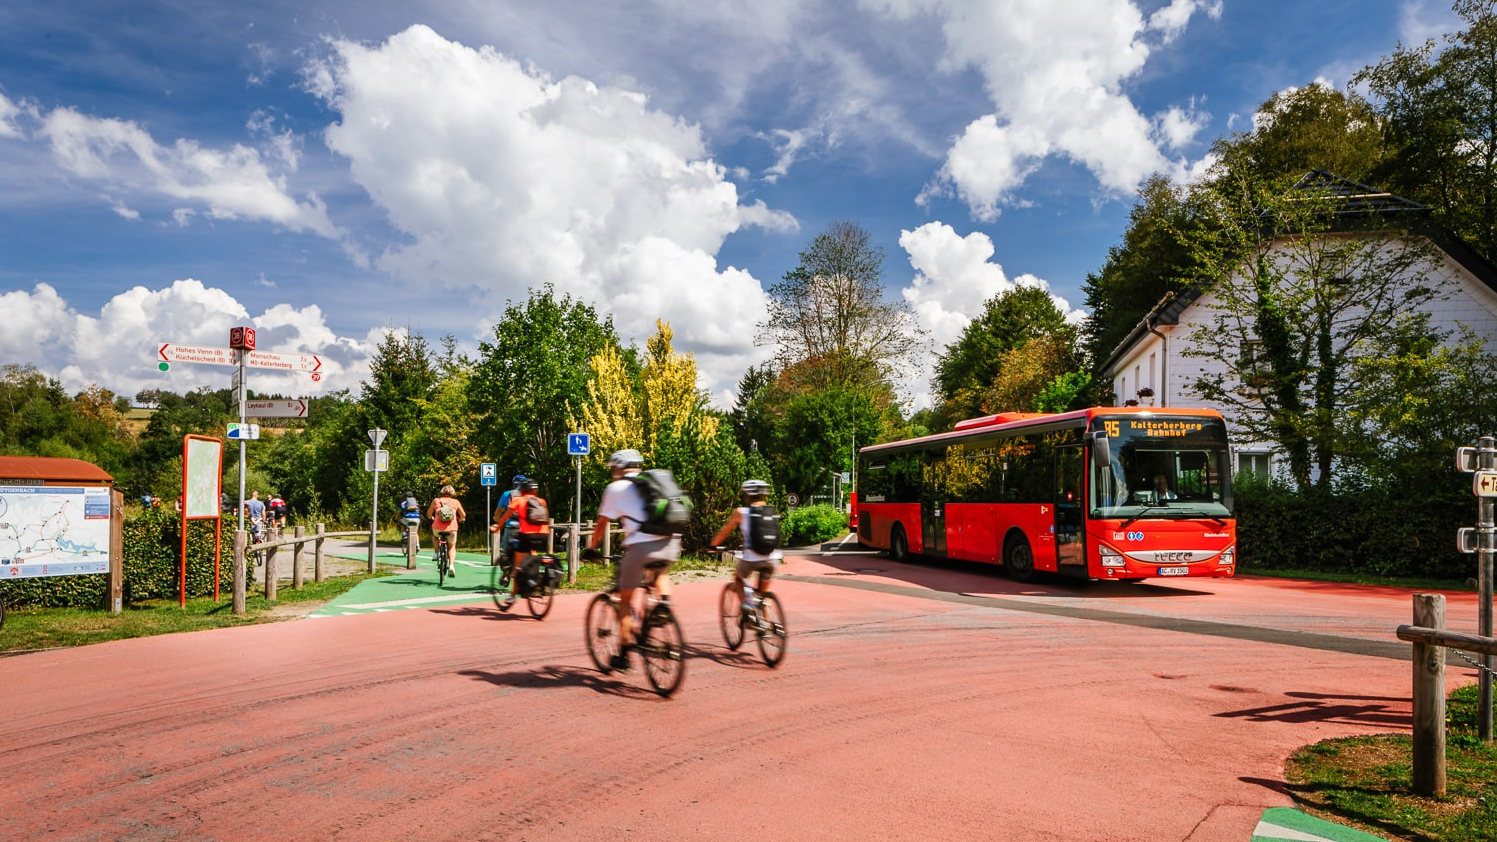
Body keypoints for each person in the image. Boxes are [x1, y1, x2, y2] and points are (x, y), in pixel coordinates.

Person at [582, 449, 681, 671]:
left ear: (619, 467)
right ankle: (663, 604)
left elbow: (601, 524)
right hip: (671, 543)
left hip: (640, 548)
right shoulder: (656, 481)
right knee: (659, 573)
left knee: (625, 600)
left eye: (613, 469)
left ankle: (623, 656)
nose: (612, 473)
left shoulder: (615, 488)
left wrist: (592, 548)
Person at [710, 479, 783, 625]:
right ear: (764, 495)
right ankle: (767, 626)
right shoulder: (771, 511)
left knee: (738, 578)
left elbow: (725, 532)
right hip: (772, 558)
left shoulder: (741, 512)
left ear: (747, 495)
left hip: (751, 557)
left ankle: (747, 608)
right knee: (762, 595)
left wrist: (712, 545)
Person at [492, 479, 549, 608]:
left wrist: (497, 528)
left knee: (518, 566)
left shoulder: (519, 500)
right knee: (533, 557)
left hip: (526, 536)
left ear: (521, 490)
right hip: (544, 535)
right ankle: (536, 580)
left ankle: (512, 595)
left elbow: (505, 517)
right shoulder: (541, 501)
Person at [427, 485, 466, 577]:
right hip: (451, 528)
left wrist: (431, 517)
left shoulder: (436, 501)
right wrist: (461, 519)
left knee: (435, 536)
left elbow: (429, 513)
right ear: (452, 493)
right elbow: (463, 514)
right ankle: (451, 565)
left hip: (437, 527)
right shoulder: (455, 502)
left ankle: (436, 553)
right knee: (452, 547)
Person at [491, 475, 526, 568]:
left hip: (510, 526)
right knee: (527, 549)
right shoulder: (529, 496)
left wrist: (498, 520)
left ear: (514, 485)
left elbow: (498, 512)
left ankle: (506, 573)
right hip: (525, 527)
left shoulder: (507, 494)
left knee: (506, 551)